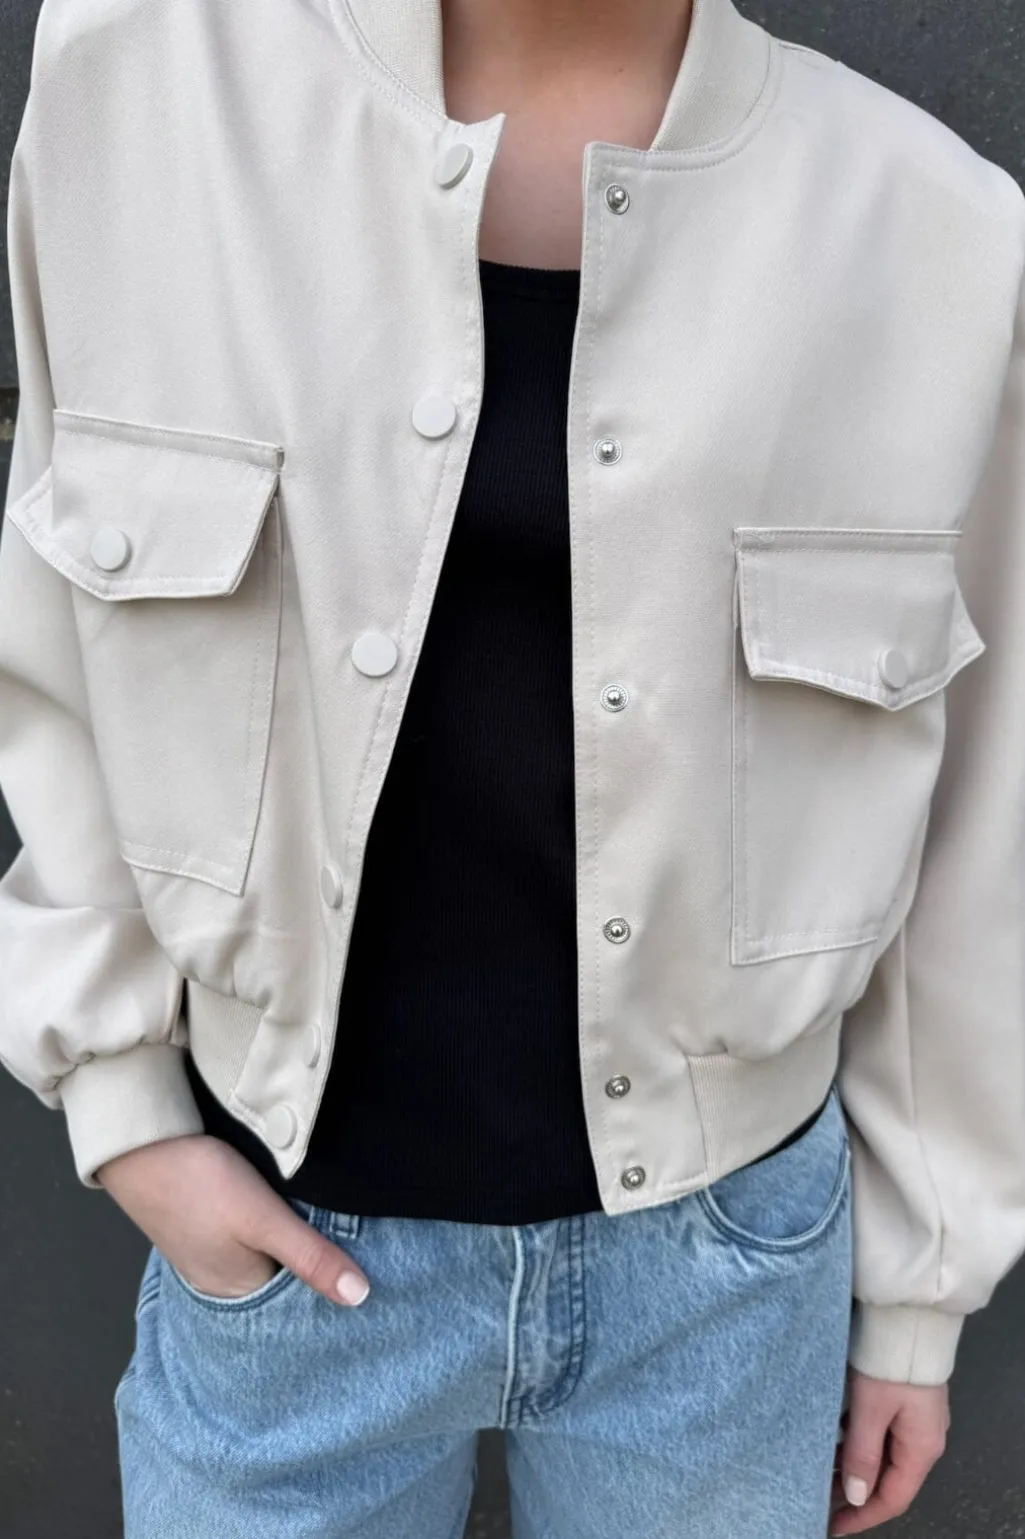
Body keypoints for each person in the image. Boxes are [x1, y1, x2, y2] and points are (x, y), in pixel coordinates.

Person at [2, 0, 1024, 1534]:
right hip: (277, 1253)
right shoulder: (145, 83)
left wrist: (921, 1286)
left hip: (726, 1284)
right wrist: (123, 1103)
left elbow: (976, 803)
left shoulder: (933, 226)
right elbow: (55, 626)